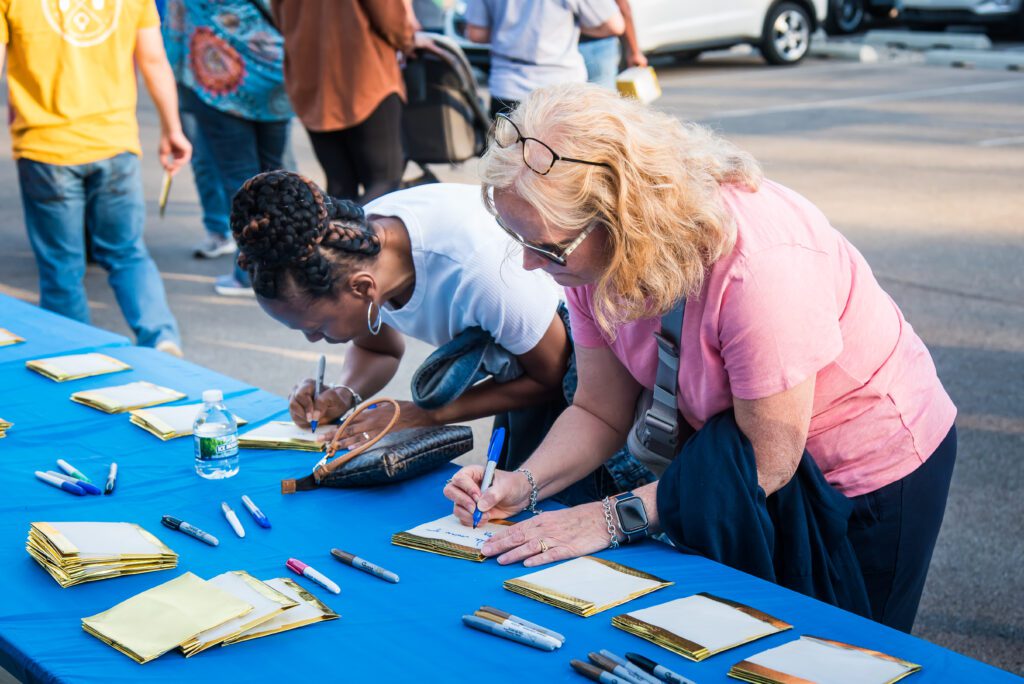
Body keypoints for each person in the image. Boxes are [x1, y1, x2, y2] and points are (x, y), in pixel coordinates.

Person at [444, 83, 958, 633]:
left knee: (845, 653)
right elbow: (599, 410)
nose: (528, 264)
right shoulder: (580, 252)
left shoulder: (759, 263)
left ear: (622, 217)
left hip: (864, 468)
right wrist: (523, 483)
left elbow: (769, 459)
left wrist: (612, 517)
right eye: (517, 238)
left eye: (546, 247)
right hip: (734, 464)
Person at [230, 171, 650, 499]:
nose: (314, 342)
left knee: (562, 508)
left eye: (317, 328)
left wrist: (426, 414)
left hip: (582, 384)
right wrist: (345, 392)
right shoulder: (356, 248)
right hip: (522, 362)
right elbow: (379, 345)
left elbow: (551, 378)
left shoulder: (480, 273)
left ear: (362, 289)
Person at [0, 0, 190, 355]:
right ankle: (160, 336)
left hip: (46, 148)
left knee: (61, 266)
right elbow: (152, 60)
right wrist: (172, 128)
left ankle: (73, 356)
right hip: (115, 142)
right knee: (127, 252)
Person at [163, 0, 294, 296]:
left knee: (241, 181)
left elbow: (174, 25)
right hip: (275, 73)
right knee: (275, 176)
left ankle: (250, 273)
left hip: (217, 77)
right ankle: (285, 266)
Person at [272, 0, 413, 202]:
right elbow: (392, 19)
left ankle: (337, 232)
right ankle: (354, 233)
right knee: (384, 183)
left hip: (311, 78)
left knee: (340, 188)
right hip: (365, 75)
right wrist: (409, 40)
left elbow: (280, 19)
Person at [464, 0, 625, 118]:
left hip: (507, 87)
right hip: (562, 88)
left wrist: (512, 34)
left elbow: (476, 33)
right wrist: (572, 25)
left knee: (512, 160)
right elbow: (614, 25)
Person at [579, 0, 646, 89]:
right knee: (602, 97)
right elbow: (622, 12)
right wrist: (634, 52)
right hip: (597, 46)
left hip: (564, 52)